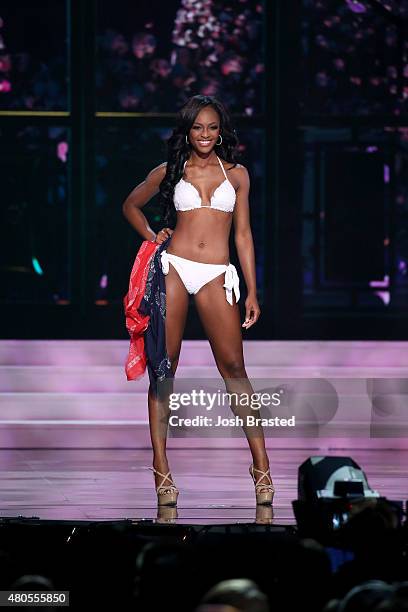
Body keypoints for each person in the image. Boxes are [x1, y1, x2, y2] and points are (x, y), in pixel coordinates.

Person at [122, 94, 274, 507]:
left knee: (234, 368)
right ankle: (161, 468)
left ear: (220, 129)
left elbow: (243, 235)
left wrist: (252, 290)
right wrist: (153, 235)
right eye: (197, 127)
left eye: (211, 127)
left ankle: (260, 464)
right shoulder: (170, 170)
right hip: (174, 268)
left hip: (216, 273)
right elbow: (131, 205)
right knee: (164, 369)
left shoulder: (238, 175)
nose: (205, 135)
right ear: (187, 131)